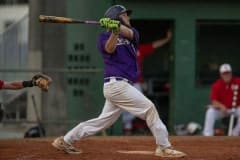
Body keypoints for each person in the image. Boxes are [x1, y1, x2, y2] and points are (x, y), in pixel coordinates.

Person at [52, 5, 186, 158]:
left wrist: (117, 27)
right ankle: (164, 146)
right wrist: (114, 32)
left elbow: (128, 32)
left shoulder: (132, 34)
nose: (128, 17)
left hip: (121, 86)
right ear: (117, 17)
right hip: (116, 85)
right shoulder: (103, 38)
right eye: (125, 15)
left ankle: (66, 140)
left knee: (103, 122)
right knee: (150, 109)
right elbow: (109, 49)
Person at [122, 30, 172, 135]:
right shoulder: (120, 50)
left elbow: (153, 45)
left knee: (141, 106)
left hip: (136, 83)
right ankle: (127, 128)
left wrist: (167, 39)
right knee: (124, 107)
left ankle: (134, 128)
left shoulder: (139, 49)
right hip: (123, 83)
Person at [203, 63, 240, 136]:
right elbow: (214, 101)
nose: (226, 75)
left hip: (236, 108)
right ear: (221, 74)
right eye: (224, 73)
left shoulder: (238, 82)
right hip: (223, 110)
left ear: (231, 73)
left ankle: (235, 133)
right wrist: (221, 106)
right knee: (210, 112)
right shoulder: (217, 85)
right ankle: (207, 135)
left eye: (228, 73)